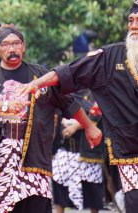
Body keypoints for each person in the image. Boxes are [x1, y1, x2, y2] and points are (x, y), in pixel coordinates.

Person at [0, 24, 102, 213]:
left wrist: (89, 127)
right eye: (5, 45)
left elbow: (69, 103)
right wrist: (5, 106)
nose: (12, 49)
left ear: (23, 46)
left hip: (34, 155)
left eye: (16, 43)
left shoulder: (41, 76)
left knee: (34, 207)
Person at [18, 2, 138, 212]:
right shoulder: (111, 56)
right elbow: (71, 71)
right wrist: (36, 83)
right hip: (130, 150)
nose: (133, 26)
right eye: (130, 21)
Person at [52, 90, 105, 213]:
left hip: (87, 152)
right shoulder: (63, 91)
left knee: (93, 194)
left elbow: (96, 113)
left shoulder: (94, 91)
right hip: (64, 150)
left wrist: (75, 127)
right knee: (60, 193)